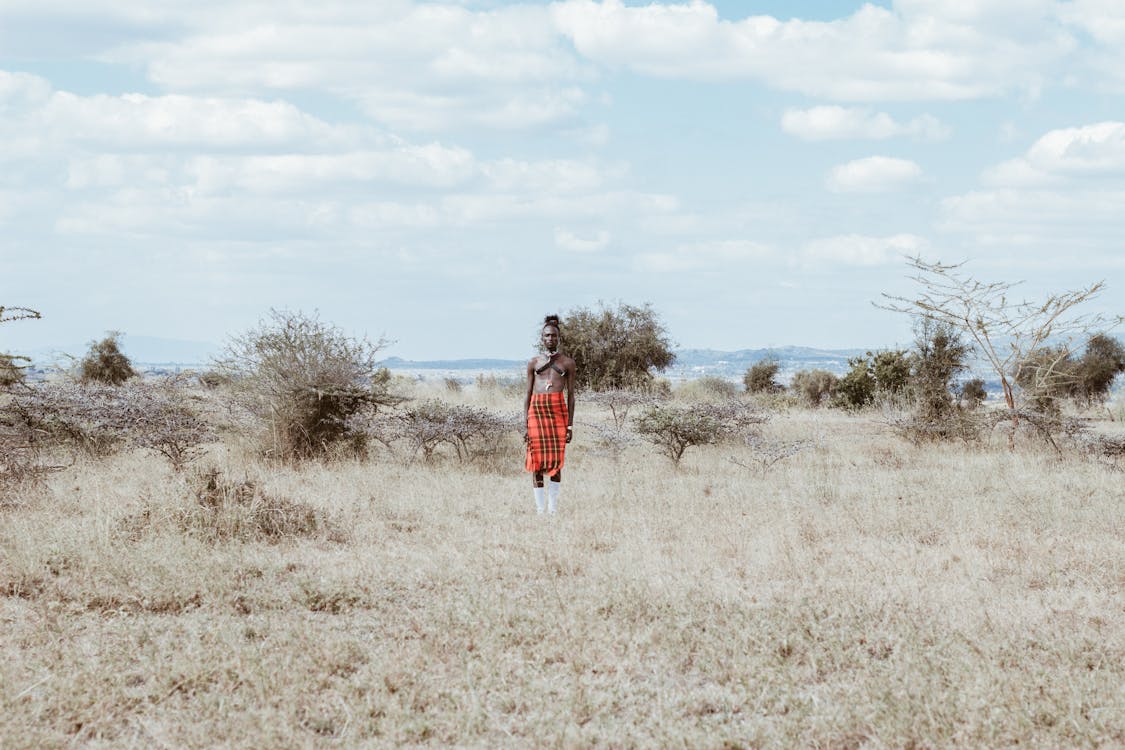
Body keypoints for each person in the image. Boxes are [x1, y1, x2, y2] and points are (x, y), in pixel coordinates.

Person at [524, 314, 576, 514]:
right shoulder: (534, 363)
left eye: (553, 336)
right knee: (536, 460)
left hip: (557, 414)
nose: (550, 339)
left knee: (556, 461)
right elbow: (527, 394)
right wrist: (525, 424)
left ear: (559, 338)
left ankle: (553, 509)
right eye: (546, 336)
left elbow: (571, 396)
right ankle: (540, 509)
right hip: (536, 413)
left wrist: (570, 426)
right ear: (541, 338)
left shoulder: (567, 363)